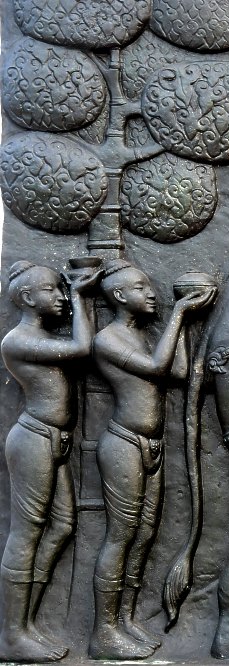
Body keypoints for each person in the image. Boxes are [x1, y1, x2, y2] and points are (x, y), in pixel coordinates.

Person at [89, 261, 214, 660]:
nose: (151, 293)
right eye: (141, 287)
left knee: (144, 535)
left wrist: (187, 323)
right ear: (119, 296)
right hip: (123, 444)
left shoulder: (140, 336)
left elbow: (176, 371)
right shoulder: (107, 339)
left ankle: (125, 620)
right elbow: (157, 367)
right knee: (121, 536)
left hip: (151, 446)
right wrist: (179, 312)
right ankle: (103, 631)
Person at [0, 261, 99, 662]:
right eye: (51, 290)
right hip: (34, 439)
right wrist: (79, 294)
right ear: (27, 298)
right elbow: (81, 349)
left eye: (61, 289)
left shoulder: (39, 336)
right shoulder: (18, 341)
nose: (59, 297)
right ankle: (12, 635)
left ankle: (29, 621)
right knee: (26, 534)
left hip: (53, 440)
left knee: (61, 525)